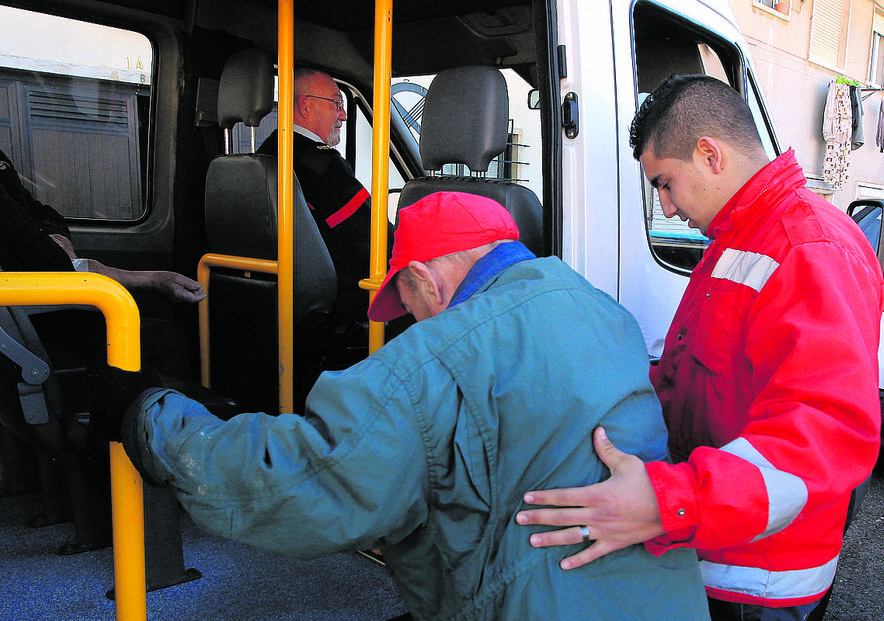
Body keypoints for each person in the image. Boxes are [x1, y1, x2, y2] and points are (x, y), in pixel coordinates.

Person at [89, 191, 710, 620]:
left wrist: (150, 414)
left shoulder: (436, 357)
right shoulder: (604, 310)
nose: (408, 321)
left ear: (420, 280)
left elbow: (300, 484)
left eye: (404, 302)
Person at [515, 74, 884, 620]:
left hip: (758, 578)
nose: (665, 207)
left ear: (710, 154)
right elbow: (687, 377)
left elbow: (825, 435)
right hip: (714, 547)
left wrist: (667, 502)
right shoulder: (737, 241)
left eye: (664, 183)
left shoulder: (810, 249)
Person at [0, 147, 205, 378]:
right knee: (162, 338)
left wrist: (55, 237)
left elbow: (45, 214)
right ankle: (149, 413)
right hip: (21, 310)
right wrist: (151, 280)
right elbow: (49, 263)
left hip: (31, 296)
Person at [257, 67, 371, 329]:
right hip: (342, 303)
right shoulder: (320, 165)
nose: (342, 114)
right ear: (306, 106)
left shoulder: (266, 154)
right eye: (336, 103)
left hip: (274, 297)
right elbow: (372, 238)